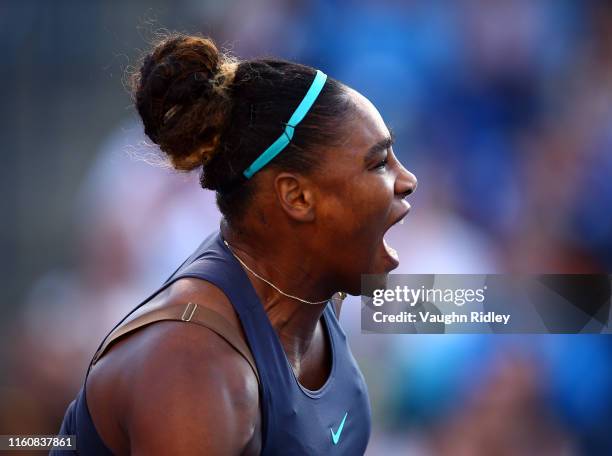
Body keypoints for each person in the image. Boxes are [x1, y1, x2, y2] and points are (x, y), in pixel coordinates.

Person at [52, 33, 417, 455]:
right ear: (297, 198)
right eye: (378, 163)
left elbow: (477, 308)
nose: (407, 181)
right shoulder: (191, 374)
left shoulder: (317, 294)